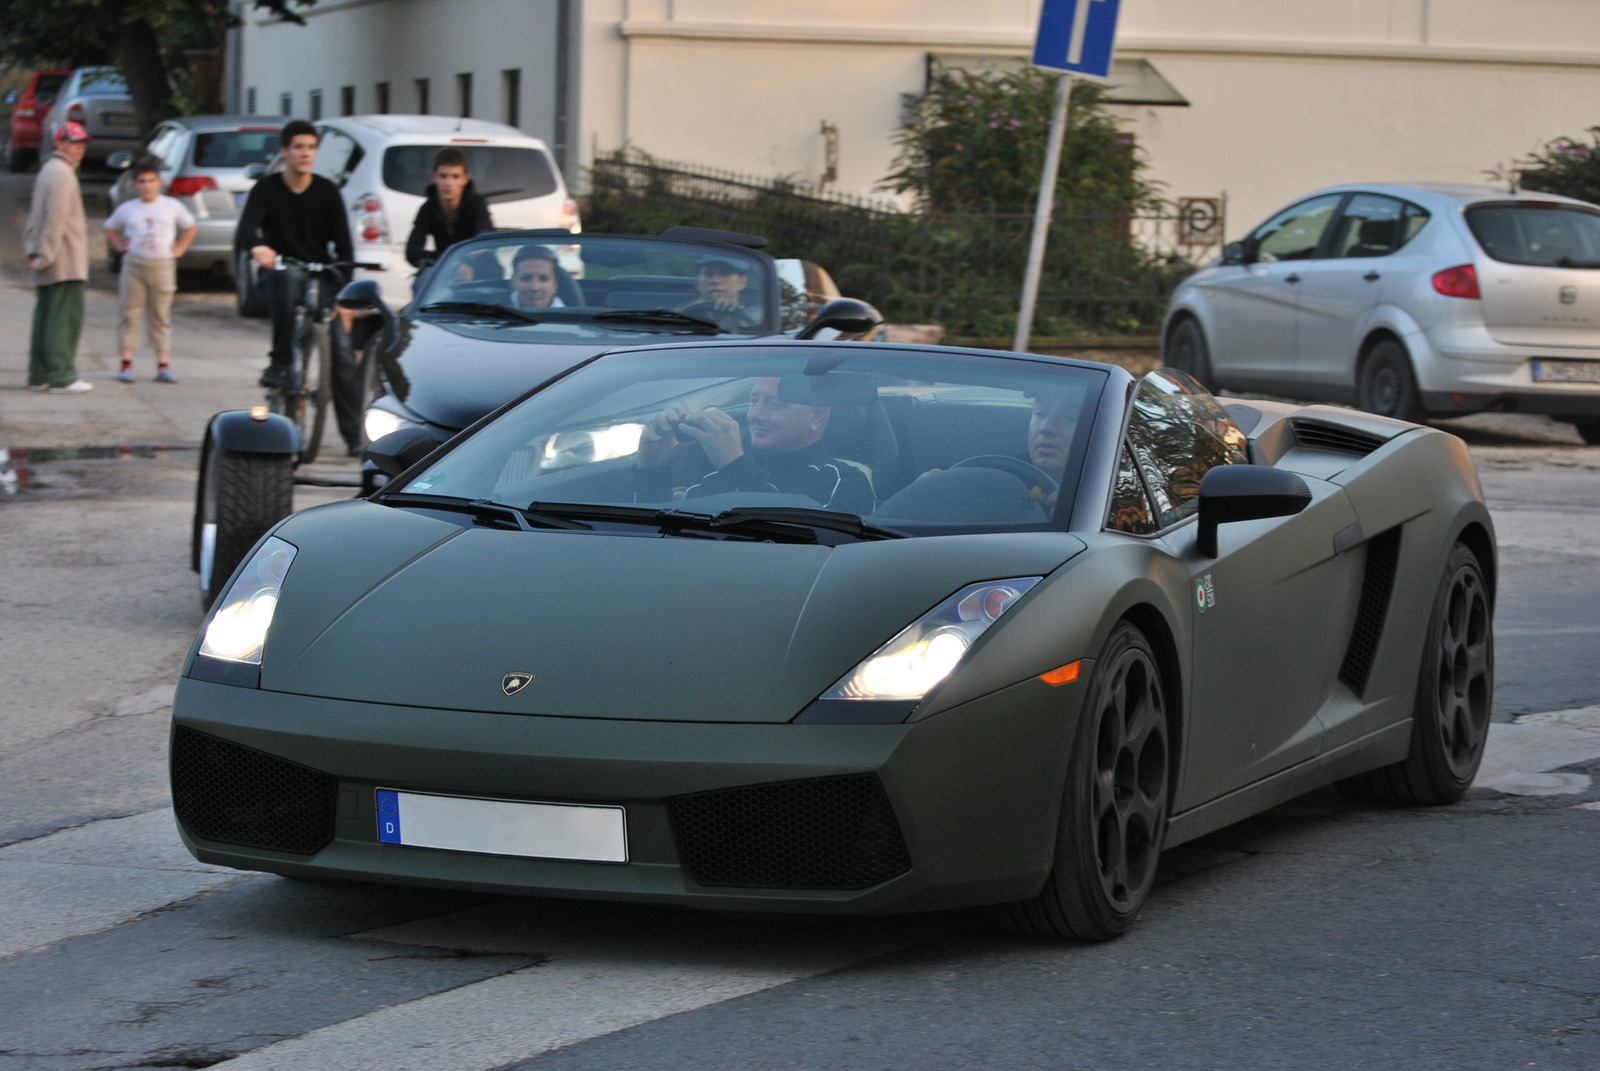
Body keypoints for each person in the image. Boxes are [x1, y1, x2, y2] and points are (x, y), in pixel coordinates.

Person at [237, 119, 361, 454]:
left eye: (310, 147)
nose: (305, 154)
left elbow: (346, 248)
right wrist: (258, 247)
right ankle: (280, 364)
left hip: (321, 276)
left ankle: (355, 438)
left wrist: (346, 298)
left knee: (342, 352)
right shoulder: (267, 189)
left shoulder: (327, 191)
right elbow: (245, 230)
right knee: (288, 281)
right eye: (298, 147)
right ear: (285, 151)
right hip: (279, 273)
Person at [632, 376, 874, 514]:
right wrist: (652, 472)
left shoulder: (844, 482)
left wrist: (735, 465)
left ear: (816, 416)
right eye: (753, 400)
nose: (755, 415)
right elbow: (653, 538)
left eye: (774, 404)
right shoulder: (717, 477)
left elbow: (794, 542)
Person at [104, 155, 197, 383]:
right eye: (142, 182)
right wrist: (118, 245)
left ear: (159, 182)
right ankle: (126, 364)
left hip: (162, 264)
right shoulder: (128, 208)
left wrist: (181, 247)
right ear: (136, 184)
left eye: (151, 181)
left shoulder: (171, 206)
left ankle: (163, 364)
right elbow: (110, 227)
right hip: (135, 264)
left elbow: (190, 226)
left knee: (160, 315)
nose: (147, 186)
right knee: (130, 312)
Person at [23, 122, 92, 393]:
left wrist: (34, 249)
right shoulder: (63, 173)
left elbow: (35, 216)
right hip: (64, 260)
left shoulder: (48, 170)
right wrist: (47, 254)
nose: (79, 149)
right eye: (73, 143)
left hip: (48, 257)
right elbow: (55, 219)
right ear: (59, 143)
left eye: (81, 143)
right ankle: (61, 376)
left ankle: (38, 374)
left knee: (45, 317)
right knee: (64, 319)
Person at [405, 148, 493, 268]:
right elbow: (412, 251)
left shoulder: (476, 204)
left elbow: (484, 239)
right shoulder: (428, 208)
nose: (449, 183)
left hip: (479, 269)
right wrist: (448, 260)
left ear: (465, 179)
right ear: (434, 177)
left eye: (455, 176)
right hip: (445, 269)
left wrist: (468, 264)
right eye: (443, 176)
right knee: (420, 282)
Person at [682, 253, 762, 331]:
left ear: (742, 282)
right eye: (708, 274)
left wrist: (732, 318)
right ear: (698, 283)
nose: (715, 280)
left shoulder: (759, 317)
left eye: (725, 273)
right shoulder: (681, 316)